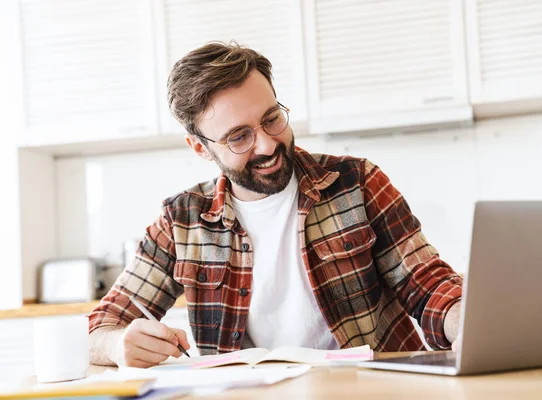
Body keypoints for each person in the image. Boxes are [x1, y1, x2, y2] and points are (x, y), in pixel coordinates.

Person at [88, 42, 463, 368]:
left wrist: (463, 320)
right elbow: (100, 327)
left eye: (272, 119)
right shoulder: (180, 221)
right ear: (201, 148)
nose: (267, 145)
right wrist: (119, 345)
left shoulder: (357, 183)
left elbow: (428, 284)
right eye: (239, 137)